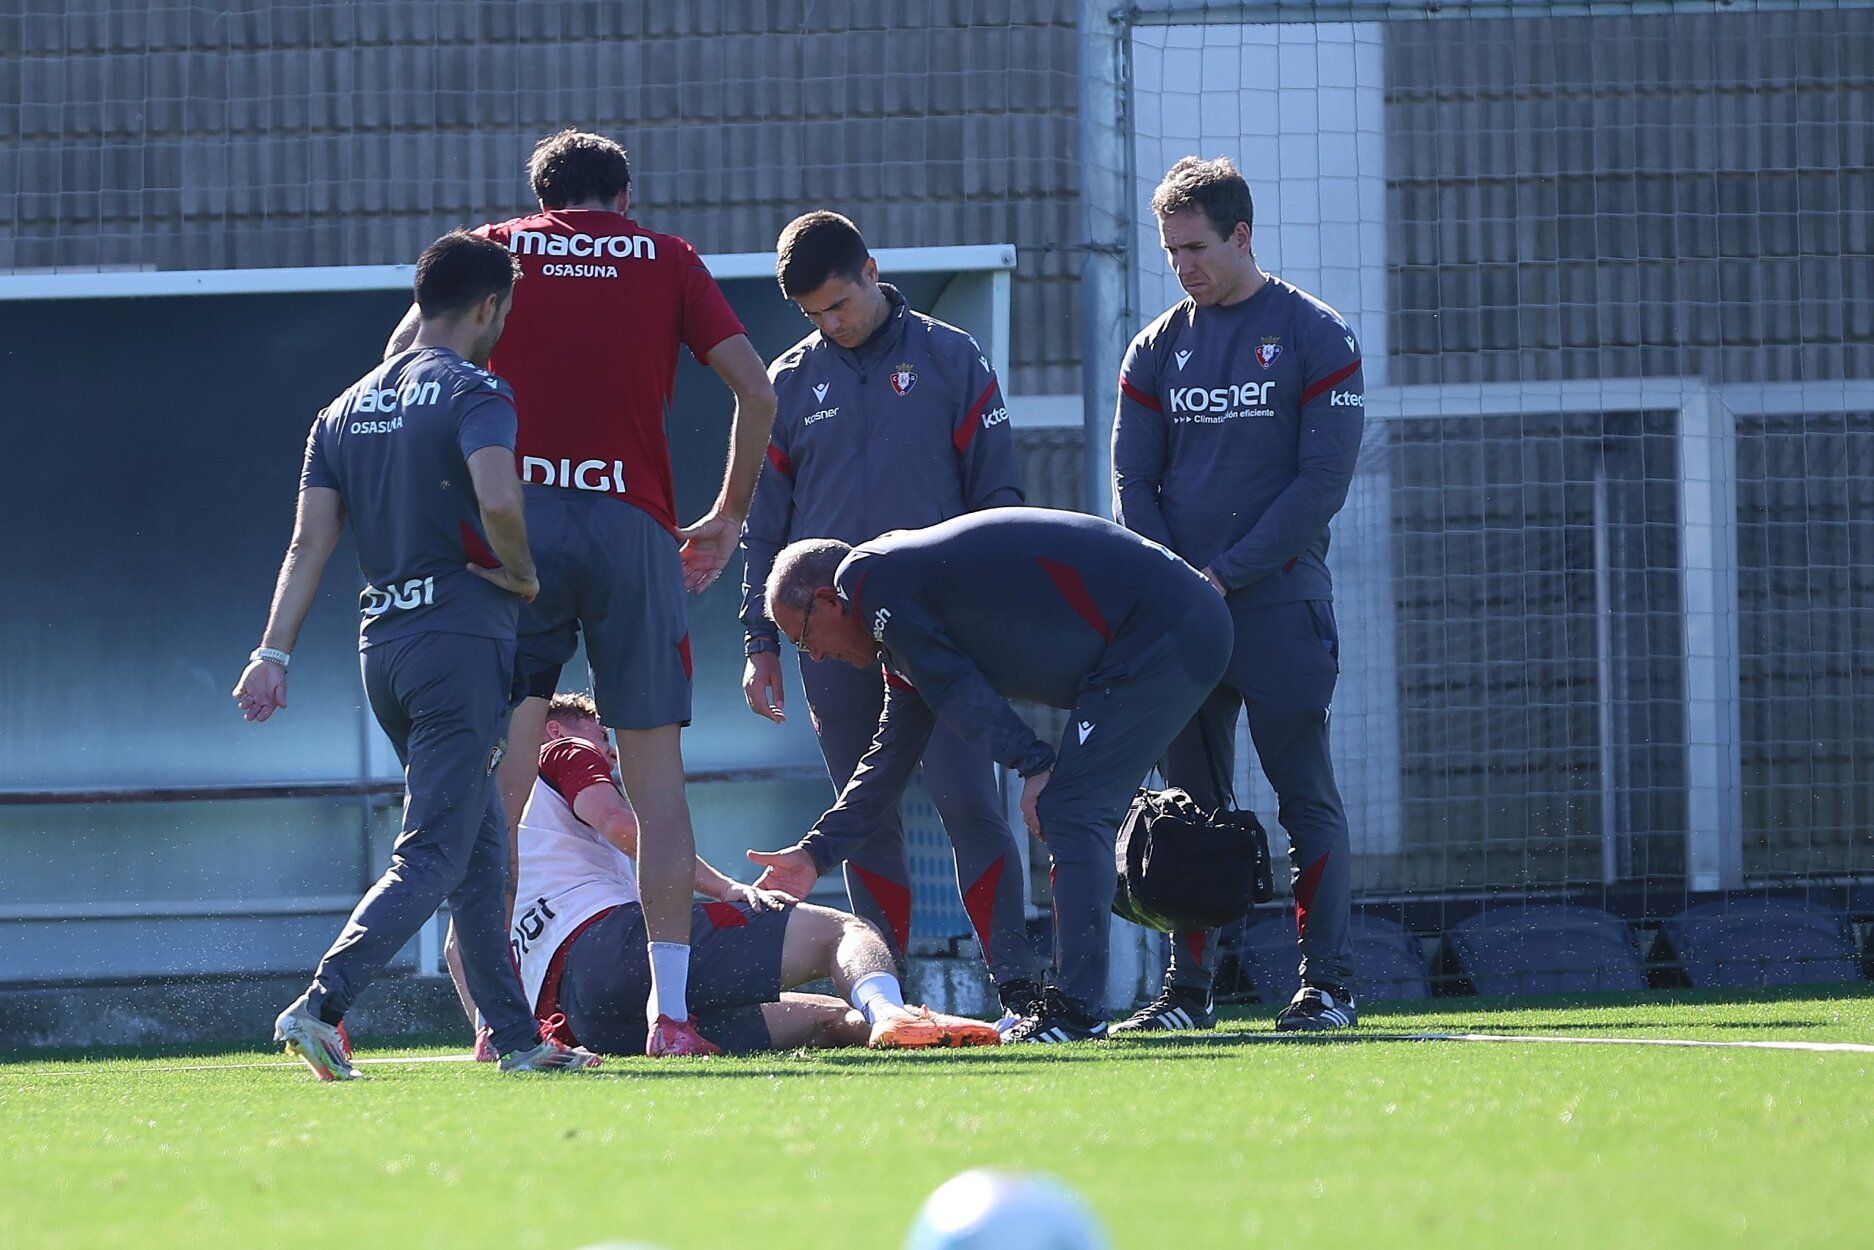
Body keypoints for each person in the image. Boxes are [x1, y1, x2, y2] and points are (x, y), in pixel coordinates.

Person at [385, 129, 778, 1057]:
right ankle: (671, 1018)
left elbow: (406, 361)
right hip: (631, 529)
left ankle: (496, 1025)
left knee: (504, 785)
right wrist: (726, 513)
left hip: (515, 532)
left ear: (540, 195)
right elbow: (757, 394)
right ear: (625, 197)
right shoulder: (668, 258)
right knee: (657, 782)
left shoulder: (498, 247)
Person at [233, 231, 599, 1080]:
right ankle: (322, 1003)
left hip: (384, 653)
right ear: (488, 307)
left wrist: (272, 653)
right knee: (434, 850)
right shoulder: (477, 390)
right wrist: (519, 573)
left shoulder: (341, 409)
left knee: (476, 852)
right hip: (457, 646)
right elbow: (500, 496)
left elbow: (306, 545)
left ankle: (515, 1042)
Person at [745, 509, 1233, 1043]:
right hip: (1170, 626)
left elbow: (956, 687)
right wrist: (814, 854)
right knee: (1137, 810)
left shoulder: (867, 577)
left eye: (802, 640)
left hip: (1166, 628)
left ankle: (1079, 1010)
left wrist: (1036, 763)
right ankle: (1171, 992)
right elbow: (887, 760)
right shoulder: (900, 620)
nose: (815, 656)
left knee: (1071, 809)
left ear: (826, 600)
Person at [739, 211, 1042, 1018]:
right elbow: (764, 528)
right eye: (814, 315)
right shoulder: (790, 380)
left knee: (968, 805)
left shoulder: (950, 356)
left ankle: (1017, 992)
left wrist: (989, 616)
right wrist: (759, 639)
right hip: (831, 645)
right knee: (861, 821)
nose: (830, 324)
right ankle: (888, 1001)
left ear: (872, 272)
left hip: (939, 637)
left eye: (838, 304)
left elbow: (999, 497)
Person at [1110, 155, 1366, 1034]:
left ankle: (1325, 985)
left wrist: (1227, 574)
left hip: (1279, 606)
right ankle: (1189, 995)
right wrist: (1182, 583)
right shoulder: (1154, 348)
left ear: (1242, 235)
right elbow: (1132, 485)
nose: (1182, 265)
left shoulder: (1315, 334)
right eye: (1170, 250)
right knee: (1189, 809)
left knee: (1305, 797)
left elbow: (1320, 484)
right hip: (1184, 618)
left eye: (1196, 247)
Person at [513, 694, 1003, 1054]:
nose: (613, 754)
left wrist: (492, 1029)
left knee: (827, 1019)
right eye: (605, 738)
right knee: (844, 930)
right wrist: (728, 888)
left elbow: (457, 947)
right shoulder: (563, 752)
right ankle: (892, 1011)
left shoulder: (496, 805)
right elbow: (622, 824)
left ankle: (957, 1032)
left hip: (579, 1020)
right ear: (556, 730)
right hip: (611, 951)